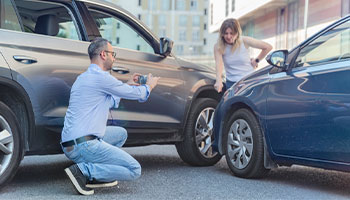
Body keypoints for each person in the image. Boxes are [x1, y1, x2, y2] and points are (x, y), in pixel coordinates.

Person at [60, 37, 160, 195]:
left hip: (71, 144)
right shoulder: (101, 78)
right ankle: (85, 170)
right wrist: (149, 85)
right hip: (84, 145)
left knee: (120, 134)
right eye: (113, 54)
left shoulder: (84, 78)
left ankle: (100, 172)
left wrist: (127, 84)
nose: (114, 58)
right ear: (103, 54)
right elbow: (138, 95)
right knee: (134, 169)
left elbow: (112, 100)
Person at [214, 18, 272, 92]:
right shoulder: (218, 46)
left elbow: (267, 47)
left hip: (249, 81)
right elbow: (219, 64)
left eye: (231, 33)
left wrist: (256, 60)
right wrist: (218, 81)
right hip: (232, 84)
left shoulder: (244, 41)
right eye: (226, 33)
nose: (228, 36)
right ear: (222, 34)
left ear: (237, 33)